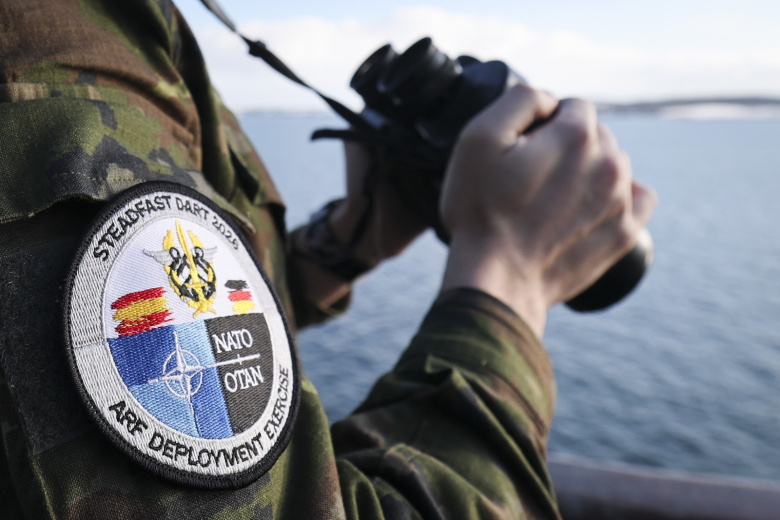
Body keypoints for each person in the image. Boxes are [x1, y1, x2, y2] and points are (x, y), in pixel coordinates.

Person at [0, 0, 656, 518]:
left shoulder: (113, 26)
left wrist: (352, 238)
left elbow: (200, 320)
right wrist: (510, 280)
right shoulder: (52, 48)